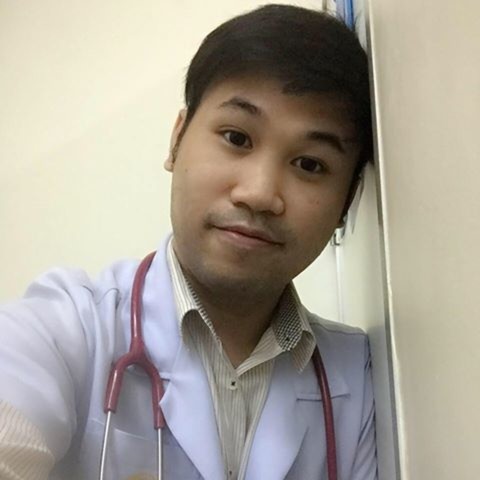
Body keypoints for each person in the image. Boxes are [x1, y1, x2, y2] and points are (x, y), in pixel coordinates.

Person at [0, 4, 376, 480]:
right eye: (236, 137)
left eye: (310, 164)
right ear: (177, 139)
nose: (259, 193)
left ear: (347, 203)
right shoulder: (66, 329)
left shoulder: (360, 374)